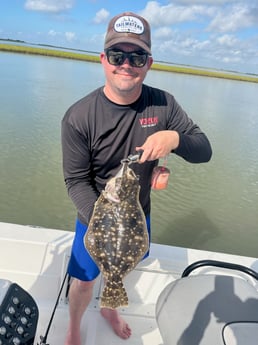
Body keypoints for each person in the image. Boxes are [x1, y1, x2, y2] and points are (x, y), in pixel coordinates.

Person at [61, 11, 212, 345]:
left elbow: (204, 150)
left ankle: (110, 307)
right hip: (95, 212)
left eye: (137, 56)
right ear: (103, 60)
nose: (126, 64)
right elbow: (75, 181)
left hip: (137, 214)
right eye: (117, 55)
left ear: (149, 63)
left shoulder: (163, 104)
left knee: (123, 266)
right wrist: (103, 222)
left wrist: (174, 139)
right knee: (85, 279)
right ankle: (74, 327)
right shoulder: (79, 116)